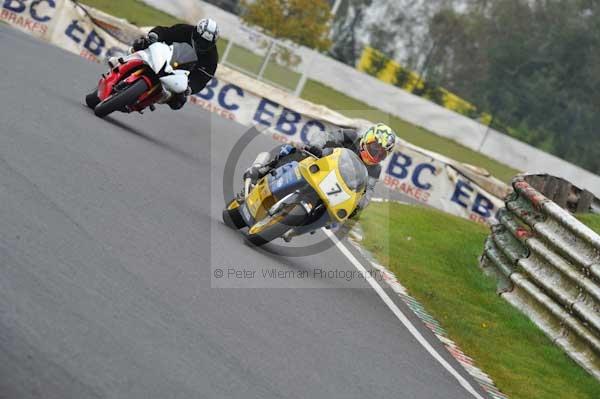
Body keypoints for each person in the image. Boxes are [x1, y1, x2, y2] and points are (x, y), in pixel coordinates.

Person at [244, 123, 397, 240]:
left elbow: (368, 191)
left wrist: (359, 205)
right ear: (367, 139)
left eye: (380, 154)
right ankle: (264, 169)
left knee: (332, 217)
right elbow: (326, 136)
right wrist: (316, 146)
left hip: (336, 188)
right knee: (294, 152)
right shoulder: (351, 136)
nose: (375, 154)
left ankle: (297, 228)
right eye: (375, 148)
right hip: (320, 163)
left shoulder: (375, 170)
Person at [113, 18, 219, 110]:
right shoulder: (185, 30)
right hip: (165, 55)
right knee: (142, 43)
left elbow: (203, 78)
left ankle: (149, 100)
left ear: (212, 44)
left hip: (181, 73)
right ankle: (122, 60)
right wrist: (155, 36)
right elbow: (166, 32)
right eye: (200, 40)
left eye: (206, 43)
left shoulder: (212, 57)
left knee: (178, 102)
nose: (202, 44)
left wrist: (190, 88)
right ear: (196, 32)